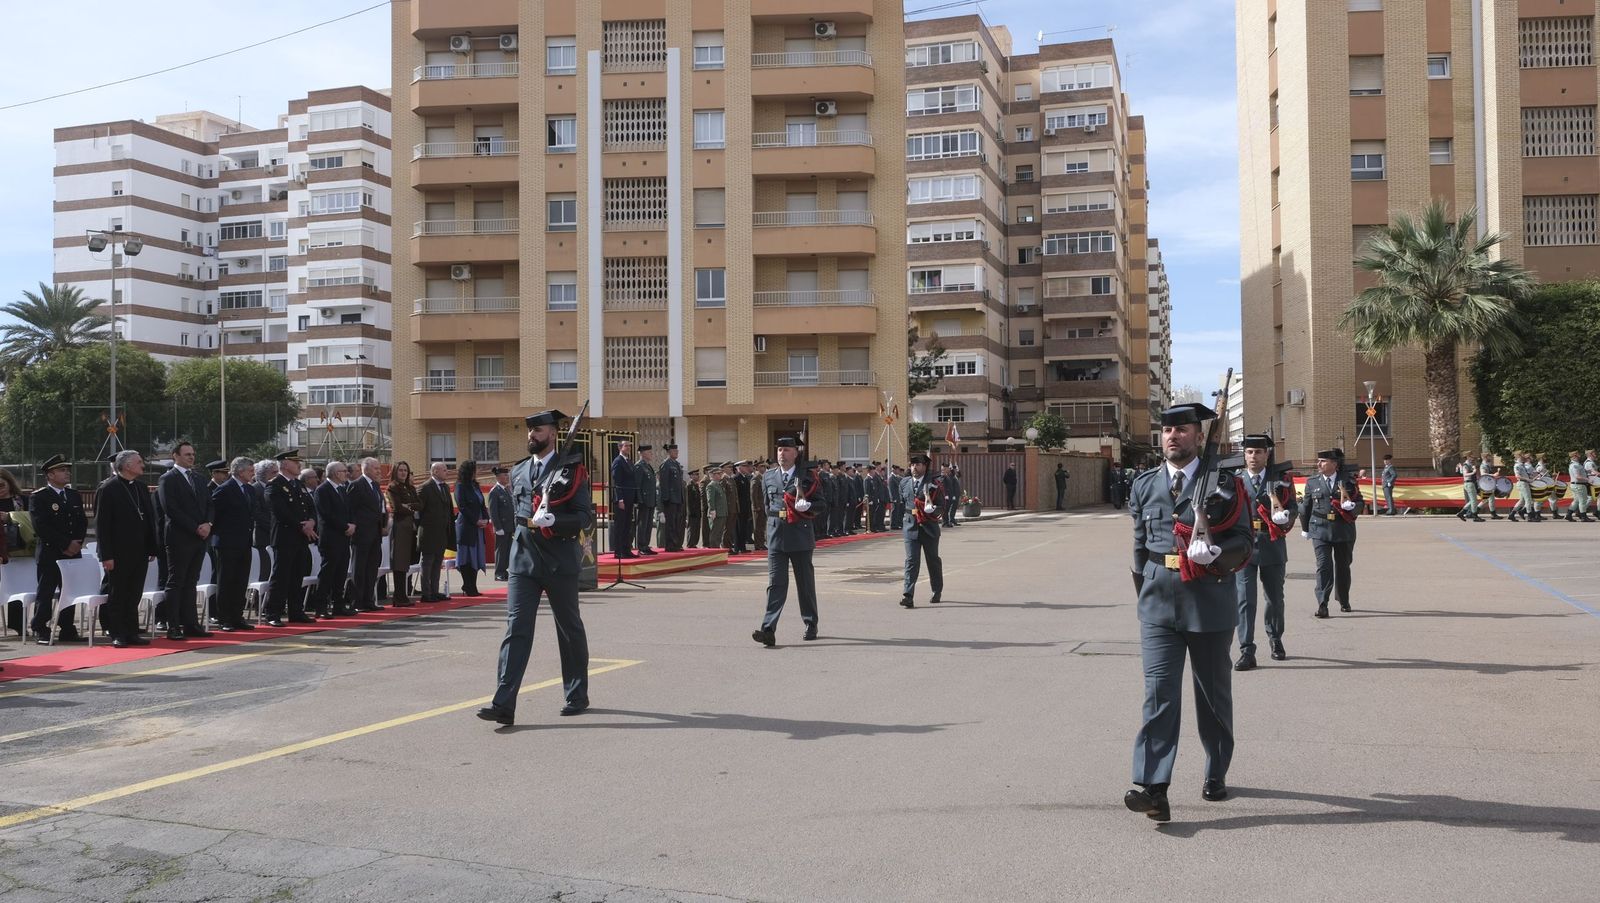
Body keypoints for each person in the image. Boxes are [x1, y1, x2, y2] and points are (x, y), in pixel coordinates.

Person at [1123, 403, 1254, 823]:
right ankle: (1153, 787)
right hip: (1158, 603)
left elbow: (1244, 540)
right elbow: (1140, 548)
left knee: (1211, 694)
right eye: (1167, 430)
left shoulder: (1226, 484)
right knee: (1158, 695)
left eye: (1182, 429)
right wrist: (1144, 596)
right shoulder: (1144, 485)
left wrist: (1217, 553)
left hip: (1209, 598)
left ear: (1199, 436)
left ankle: (1216, 769)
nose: (1173, 436)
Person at [477, 409, 594, 726]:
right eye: (529, 430)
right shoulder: (518, 472)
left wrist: (557, 520)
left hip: (559, 558)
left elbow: (586, 518)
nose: (532, 435)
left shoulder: (573, 470)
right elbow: (520, 514)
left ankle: (576, 693)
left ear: (553, 434)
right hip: (523, 558)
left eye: (538, 430)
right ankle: (503, 703)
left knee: (568, 630)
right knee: (516, 629)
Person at [753, 438, 825, 646]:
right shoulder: (768, 476)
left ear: (795, 453)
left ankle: (811, 623)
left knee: (805, 584)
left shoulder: (808, 477)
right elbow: (767, 506)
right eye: (779, 449)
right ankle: (768, 629)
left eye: (786, 450)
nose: (781, 453)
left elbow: (821, 504)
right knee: (776, 584)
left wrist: (807, 506)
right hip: (776, 536)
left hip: (800, 534)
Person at [1234, 435, 1297, 670]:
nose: (1253, 456)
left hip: (1272, 544)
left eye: (1258, 452)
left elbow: (1293, 507)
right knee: (1244, 600)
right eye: (1249, 452)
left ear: (1267, 455)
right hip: (1244, 546)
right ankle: (1246, 649)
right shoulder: (1235, 479)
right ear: (1244, 454)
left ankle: (1275, 638)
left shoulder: (1280, 479)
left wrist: (1286, 517)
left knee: (1274, 599)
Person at [94, 450, 159, 648]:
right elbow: (102, 526)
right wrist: (106, 555)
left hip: (139, 552)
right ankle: (117, 632)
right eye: (139, 462)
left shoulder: (140, 487)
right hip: (118, 553)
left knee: (134, 593)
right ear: (127, 466)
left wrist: (151, 548)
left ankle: (132, 631)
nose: (143, 466)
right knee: (118, 594)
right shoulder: (108, 488)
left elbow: (149, 519)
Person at [155, 441, 214, 640]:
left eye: (193, 454)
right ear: (175, 456)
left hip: (199, 538)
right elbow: (170, 508)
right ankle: (173, 626)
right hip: (180, 537)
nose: (191, 457)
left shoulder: (198, 478)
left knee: (191, 581)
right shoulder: (168, 479)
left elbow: (209, 504)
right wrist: (195, 527)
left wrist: (208, 524)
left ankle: (191, 624)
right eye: (187, 454)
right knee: (176, 581)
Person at [30, 454, 89, 644]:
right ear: (50, 475)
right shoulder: (39, 497)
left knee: (69, 590)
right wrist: (65, 544)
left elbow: (81, 520)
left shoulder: (73, 495)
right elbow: (41, 526)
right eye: (62, 470)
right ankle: (40, 627)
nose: (67, 473)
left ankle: (67, 628)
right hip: (51, 552)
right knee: (46, 591)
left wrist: (77, 542)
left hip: (72, 551)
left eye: (67, 470)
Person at [1299, 448, 1362, 618]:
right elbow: (1305, 507)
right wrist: (1305, 528)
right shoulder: (1312, 482)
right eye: (1318, 461)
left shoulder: (1347, 481)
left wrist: (1353, 507)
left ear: (1334, 464)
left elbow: (1360, 502)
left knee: (1343, 566)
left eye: (1323, 461)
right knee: (1323, 566)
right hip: (1319, 528)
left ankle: (1343, 599)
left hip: (1343, 529)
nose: (1318, 464)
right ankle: (1322, 603)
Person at [263, 450, 318, 627]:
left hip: (301, 538)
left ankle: (296, 611)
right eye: (295, 462)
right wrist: (302, 526)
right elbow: (281, 512)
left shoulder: (298, 485)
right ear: (285, 464)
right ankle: (273, 613)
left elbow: (310, 506)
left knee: (297, 575)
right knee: (281, 576)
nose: (299, 465)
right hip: (285, 537)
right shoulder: (275, 485)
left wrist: (311, 521)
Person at [209, 457, 258, 632]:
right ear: (240, 471)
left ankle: (238, 616)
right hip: (227, 542)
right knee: (226, 580)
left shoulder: (250, 490)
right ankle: (224, 618)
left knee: (241, 580)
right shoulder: (225, 489)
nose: (253, 473)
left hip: (244, 542)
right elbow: (214, 514)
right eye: (250, 470)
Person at [899, 453, 944, 608]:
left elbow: (941, 506)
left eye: (918, 465)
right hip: (910, 526)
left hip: (929, 527)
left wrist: (933, 510)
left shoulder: (934, 483)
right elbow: (903, 503)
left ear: (925, 466)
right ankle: (908, 595)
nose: (914, 468)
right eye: (912, 465)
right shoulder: (904, 483)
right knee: (911, 561)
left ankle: (937, 590)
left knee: (932, 560)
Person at [313, 461, 355, 617]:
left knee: (341, 573)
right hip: (330, 538)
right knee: (328, 573)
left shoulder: (342, 489)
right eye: (344, 471)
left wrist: (352, 525)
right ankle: (321, 607)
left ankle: (339, 605)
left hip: (344, 538)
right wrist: (345, 526)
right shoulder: (322, 490)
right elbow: (326, 515)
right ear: (336, 473)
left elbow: (349, 510)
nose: (347, 473)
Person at [349, 458, 387, 611]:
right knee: (359, 568)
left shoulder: (375, 485)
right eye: (376, 468)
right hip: (361, 533)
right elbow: (350, 508)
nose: (379, 471)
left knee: (372, 568)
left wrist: (383, 525)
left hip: (375, 533)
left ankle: (368, 600)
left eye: (379, 468)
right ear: (366, 469)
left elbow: (380, 507)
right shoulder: (356, 485)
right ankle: (357, 602)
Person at [417, 462, 456, 602]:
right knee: (427, 563)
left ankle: (434, 591)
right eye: (444, 470)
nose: (447, 472)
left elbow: (448, 509)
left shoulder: (445, 487)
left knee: (437, 563)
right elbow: (418, 511)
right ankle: (426, 594)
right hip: (428, 533)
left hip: (442, 533)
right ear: (435, 472)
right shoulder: (425, 487)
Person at [455, 459, 488, 596]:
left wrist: (486, 518)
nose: (477, 472)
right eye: (475, 470)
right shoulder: (460, 486)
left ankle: (472, 585)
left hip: (478, 526)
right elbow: (462, 506)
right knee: (466, 556)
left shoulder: (475, 485)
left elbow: (482, 504)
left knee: (476, 556)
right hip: (467, 525)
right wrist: (476, 520)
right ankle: (468, 586)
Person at [609, 440, 637, 559]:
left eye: (630, 446)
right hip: (622, 499)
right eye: (626, 446)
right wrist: (620, 499)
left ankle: (626, 550)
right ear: (620, 447)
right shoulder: (618, 461)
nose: (629, 448)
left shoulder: (629, 461)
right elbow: (617, 482)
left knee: (627, 525)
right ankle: (618, 551)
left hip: (629, 497)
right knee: (620, 525)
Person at [251, 459, 278, 578]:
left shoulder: (273, 488)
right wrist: (274, 526)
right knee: (264, 572)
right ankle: (258, 597)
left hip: (274, 537)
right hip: (262, 537)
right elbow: (257, 514)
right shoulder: (255, 489)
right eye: (274, 473)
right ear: (264, 474)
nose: (277, 475)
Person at [488, 465, 515, 581]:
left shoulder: (507, 490)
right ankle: (498, 572)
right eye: (505, 475)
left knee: (508, 550)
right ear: (498, 477)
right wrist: (497, 527)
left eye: (507, 475)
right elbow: (493, 511)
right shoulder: (494, 491)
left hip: (509, 526)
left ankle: (504, 571)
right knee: (500, 551)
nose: (507, 477)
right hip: (501, 527)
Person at [658, 443, 685, 552]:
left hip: (678, 498)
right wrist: (665, 499)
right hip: (670, 499)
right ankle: (670, 545)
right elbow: (664, 484)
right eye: (675, 451)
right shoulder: (666, 464)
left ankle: (676, 544)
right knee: (670, 524)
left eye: (677, 451)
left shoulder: (677, 464)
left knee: (677, 522)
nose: (677, 453)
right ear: (669, 452)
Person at [633, 445, 659, 556]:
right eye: (649, 452)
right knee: (642, 524)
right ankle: (641, 547)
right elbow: (637, 485)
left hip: (650, 500)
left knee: (648, 525)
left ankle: (646, 545)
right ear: (642, 453)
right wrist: (639, 500)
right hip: (643, 501)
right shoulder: (639, 466)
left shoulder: (648, 466)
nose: (651, 454)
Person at [1509, 450, 1539, 523]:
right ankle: (1529, 516)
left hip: (1524, 483)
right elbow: (1518, 476)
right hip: (1523, 483)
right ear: (1519, 456)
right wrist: (1528, 479)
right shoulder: (1517, 465)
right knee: (1528, 500)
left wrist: (1531, 478)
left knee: (1522, 501)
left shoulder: (1521, 465)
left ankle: (1512, 514)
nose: (1524, 456)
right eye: (1522, 455)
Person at [705, 465, 729, 551]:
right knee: (715, 533)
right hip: (716, 513)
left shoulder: (718, 485)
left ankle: (717, 549)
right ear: (713, 475)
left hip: (722, 513)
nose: (720, 475)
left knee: (719, 533)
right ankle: (714, 550)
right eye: (718, 474)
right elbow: (710, 499)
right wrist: (712, 510)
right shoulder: (711, 485)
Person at [733, 461, 754, 553]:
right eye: (744, 466)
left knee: (744, 528)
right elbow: (736, 496)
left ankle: (743, 547)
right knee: (738, 528)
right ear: (739, 468)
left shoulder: (745, 478)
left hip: (745, 507)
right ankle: (737, 547)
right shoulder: (736, 478)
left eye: (747, 466)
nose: (746, 468)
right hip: (739, 508)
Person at [1456, 453, 1483, 522]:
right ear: (1467, 457)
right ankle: (1475, 516)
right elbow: (1465, 474)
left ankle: (1462, 513)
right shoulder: (1466, 465)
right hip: (1469, 483)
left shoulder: (1470, 465)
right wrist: (1473, 472)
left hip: (1472, 483)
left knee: (1472, 500)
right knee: (1474, 500)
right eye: (1471, 456)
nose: (1473, 458)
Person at [751, 461, 770, 550]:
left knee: (762, 526)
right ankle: (758, 545)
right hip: (758, 507)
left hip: (763, 506)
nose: (764, 468)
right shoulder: (755, 479)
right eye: (762, 466)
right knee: (758, 527)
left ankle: (761, 543)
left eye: (765, 467)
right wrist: (755, 506)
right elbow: (753, 494)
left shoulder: (763, 478)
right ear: (757, 468)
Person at [685, 468, 704, 548]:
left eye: (698, 474)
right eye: (695, 475)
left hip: (697, 510)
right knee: (692, 528)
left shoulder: (696, 485)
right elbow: (688, 500)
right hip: (692, 511)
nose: (697, 476)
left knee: (696, 528)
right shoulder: (689, 486)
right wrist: (689, 511)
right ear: (691, 476)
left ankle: (694, 543)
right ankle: (690, 543)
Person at [889, 465, 907, 530]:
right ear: (894, 470)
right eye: (897, 469)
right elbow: (891, 489)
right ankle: (893, 525)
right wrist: (894, 498)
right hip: (895, 498)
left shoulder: (897, 477)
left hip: (899, 497)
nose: (898, 471)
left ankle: (897, 524)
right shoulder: (891, 478)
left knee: (898, 512)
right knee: (894, 511)